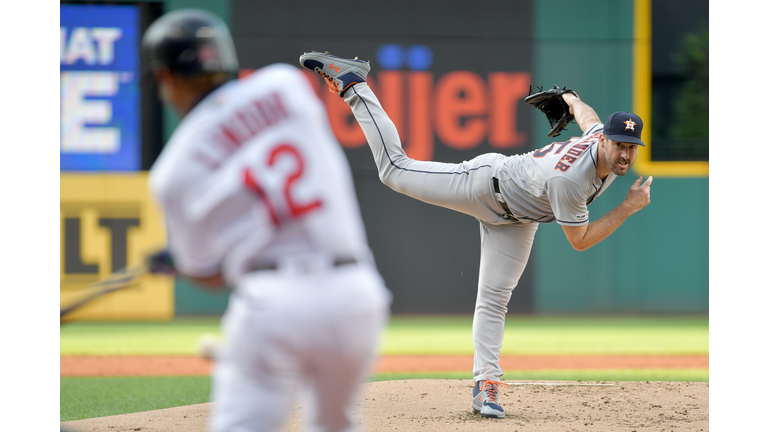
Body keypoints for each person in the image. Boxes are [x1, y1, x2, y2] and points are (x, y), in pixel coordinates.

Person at [299, 51, 652, 419]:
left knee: (495, 298)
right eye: (619, 144)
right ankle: (354, 84)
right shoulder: (571, 180)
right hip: (486, 185)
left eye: (631, 147)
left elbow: (589, 118)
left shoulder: (601, 139)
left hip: (517, 220)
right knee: (394, 171)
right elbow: (579, 241)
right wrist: (627, 207)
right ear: (604, 143)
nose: (625, 154)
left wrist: (570, 99)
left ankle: (486, 384)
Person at [142, 11, 391, 432]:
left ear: (166, 76)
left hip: (273, 305)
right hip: (356, 297)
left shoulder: (172, 173)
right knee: (336, 425)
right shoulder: (285, 85)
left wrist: (179, 262)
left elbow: (209, 276)